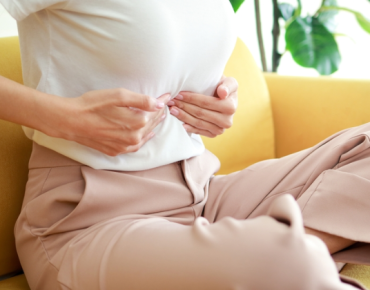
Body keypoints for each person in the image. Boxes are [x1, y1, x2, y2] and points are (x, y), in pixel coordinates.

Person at [0, 1, 368, 289]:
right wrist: (62, 117)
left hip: (203, 192)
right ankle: (281, 255)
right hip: (89, 221)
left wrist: (222, 99)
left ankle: (273, 250)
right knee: (288, 262)